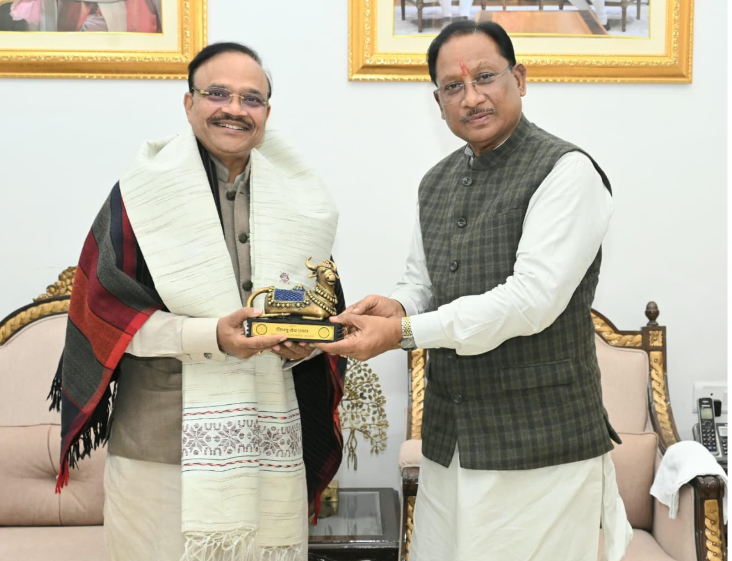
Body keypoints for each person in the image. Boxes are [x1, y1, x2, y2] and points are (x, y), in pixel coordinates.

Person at [316, 21, 631, 561]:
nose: (472, 97)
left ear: (520, 79)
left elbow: (530, 302)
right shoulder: (436, 181)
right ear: (437, 103)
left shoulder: (566, 172)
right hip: (451, 443)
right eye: (453, 86)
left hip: (541, 448)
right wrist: (397, 306)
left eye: (485, 77)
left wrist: (402, 332)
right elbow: (422, 283)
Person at [50, 42, 346, 561]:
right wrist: (211, 336)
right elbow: (107, 313)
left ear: (267, 113)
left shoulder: (301, 203)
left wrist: (306, 344)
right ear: (189, 104)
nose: (234, 109)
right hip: (161, 451)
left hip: (269, 441)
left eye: (251, 98)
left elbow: (314, 304)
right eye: (217, 94)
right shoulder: (141, 197)